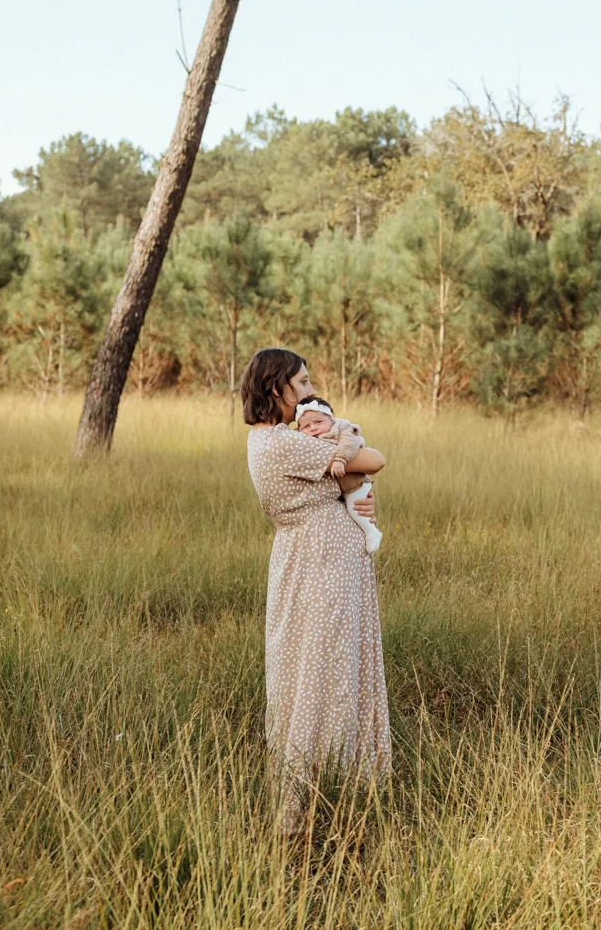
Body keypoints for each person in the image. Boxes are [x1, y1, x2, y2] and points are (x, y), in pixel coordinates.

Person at [240, 347, 390, 835]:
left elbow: (350, 473)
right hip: (320, 563)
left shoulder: (275, 440)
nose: (310, 392)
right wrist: (354, 472)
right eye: (301, 384)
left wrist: (351, 484)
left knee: (319, 667)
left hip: (316, 559)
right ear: (273, 389)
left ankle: (333, 789)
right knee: (321, 672)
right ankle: (305, 803)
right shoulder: (281, 442)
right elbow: (372, 460)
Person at [292, 396, 382, 553]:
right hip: (342, 489)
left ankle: (372, 532)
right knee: (353, 509)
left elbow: (350, 443)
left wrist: (340, 459)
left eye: (319, 422)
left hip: (355, 484)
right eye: (306, 426)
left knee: (356, 508)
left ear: (331, 420)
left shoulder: (341, 429)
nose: (313, 428)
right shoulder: (305, 440)